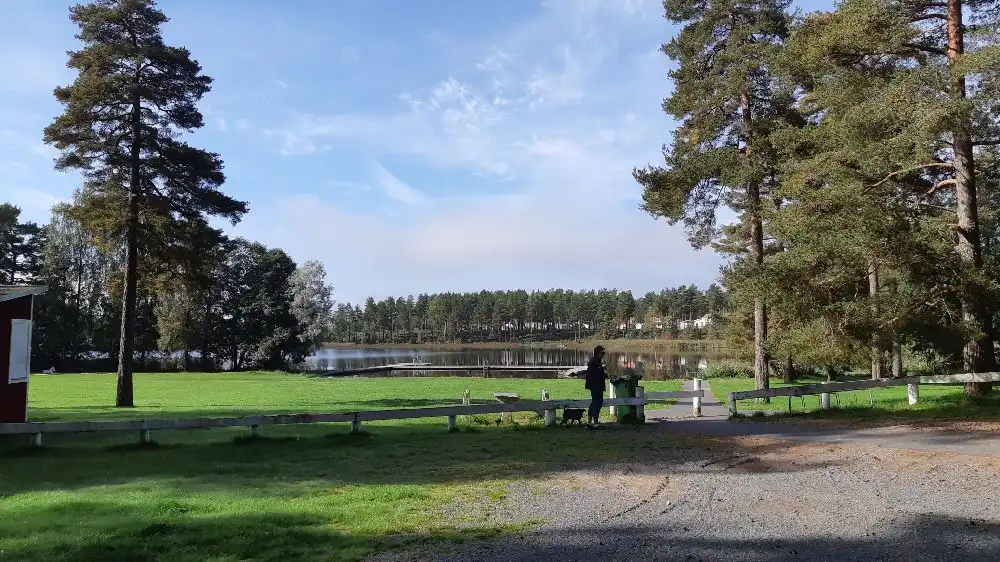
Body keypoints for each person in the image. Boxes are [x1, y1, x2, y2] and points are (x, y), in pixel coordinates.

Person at [584, 345, 608, 429]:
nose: (603, 355)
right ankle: (595, 422)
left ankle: (589, 422)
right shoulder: (596, 362)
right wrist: (604, 375)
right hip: (597, 386)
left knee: (594, 402)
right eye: (602, 353)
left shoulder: (593, 361)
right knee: (598, 403)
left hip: (593, 385)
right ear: (598, 353)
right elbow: (597, 375)